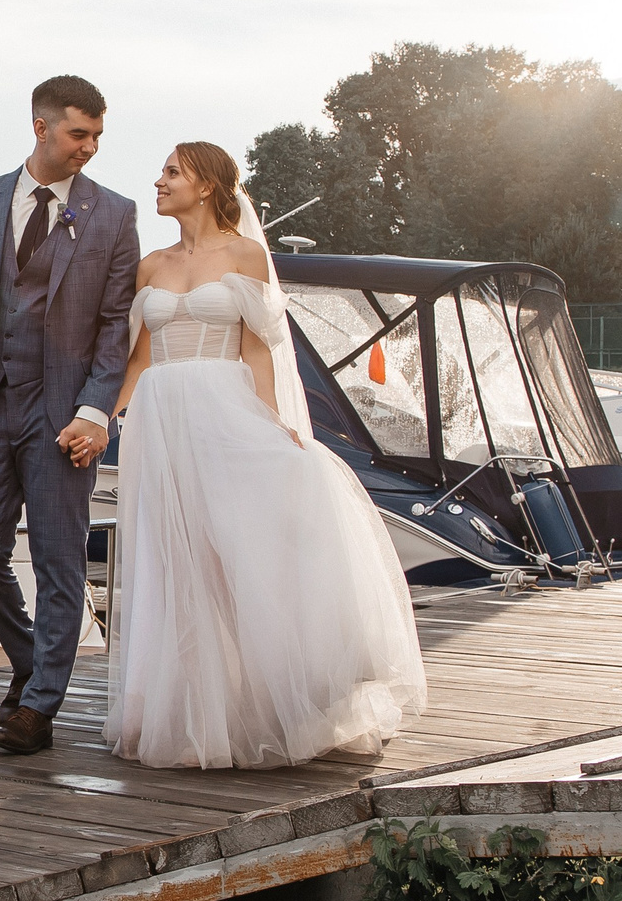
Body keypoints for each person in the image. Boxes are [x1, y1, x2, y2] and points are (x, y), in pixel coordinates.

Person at [103, 141, 426, 768]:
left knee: (243, 553)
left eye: (172, 172)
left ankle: (294, 697)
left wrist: (275, 424)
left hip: (226, 412)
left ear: (208, 185)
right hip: (162, 422)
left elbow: (256, 351)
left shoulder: (247, 256)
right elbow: (138, 360)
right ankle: (197, 718)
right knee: (177, 562)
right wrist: (102, 416)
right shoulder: (149, 266)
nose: (159, 180)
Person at [0, 76, 141, 755]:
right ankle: (30, 661)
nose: (89, 148)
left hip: (64, 418)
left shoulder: (115, 214)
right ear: (41, 126)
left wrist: (96, 410)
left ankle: (38, 705)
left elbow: (114, 330)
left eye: (98, 136)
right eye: (79, 134)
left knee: (58, 559)